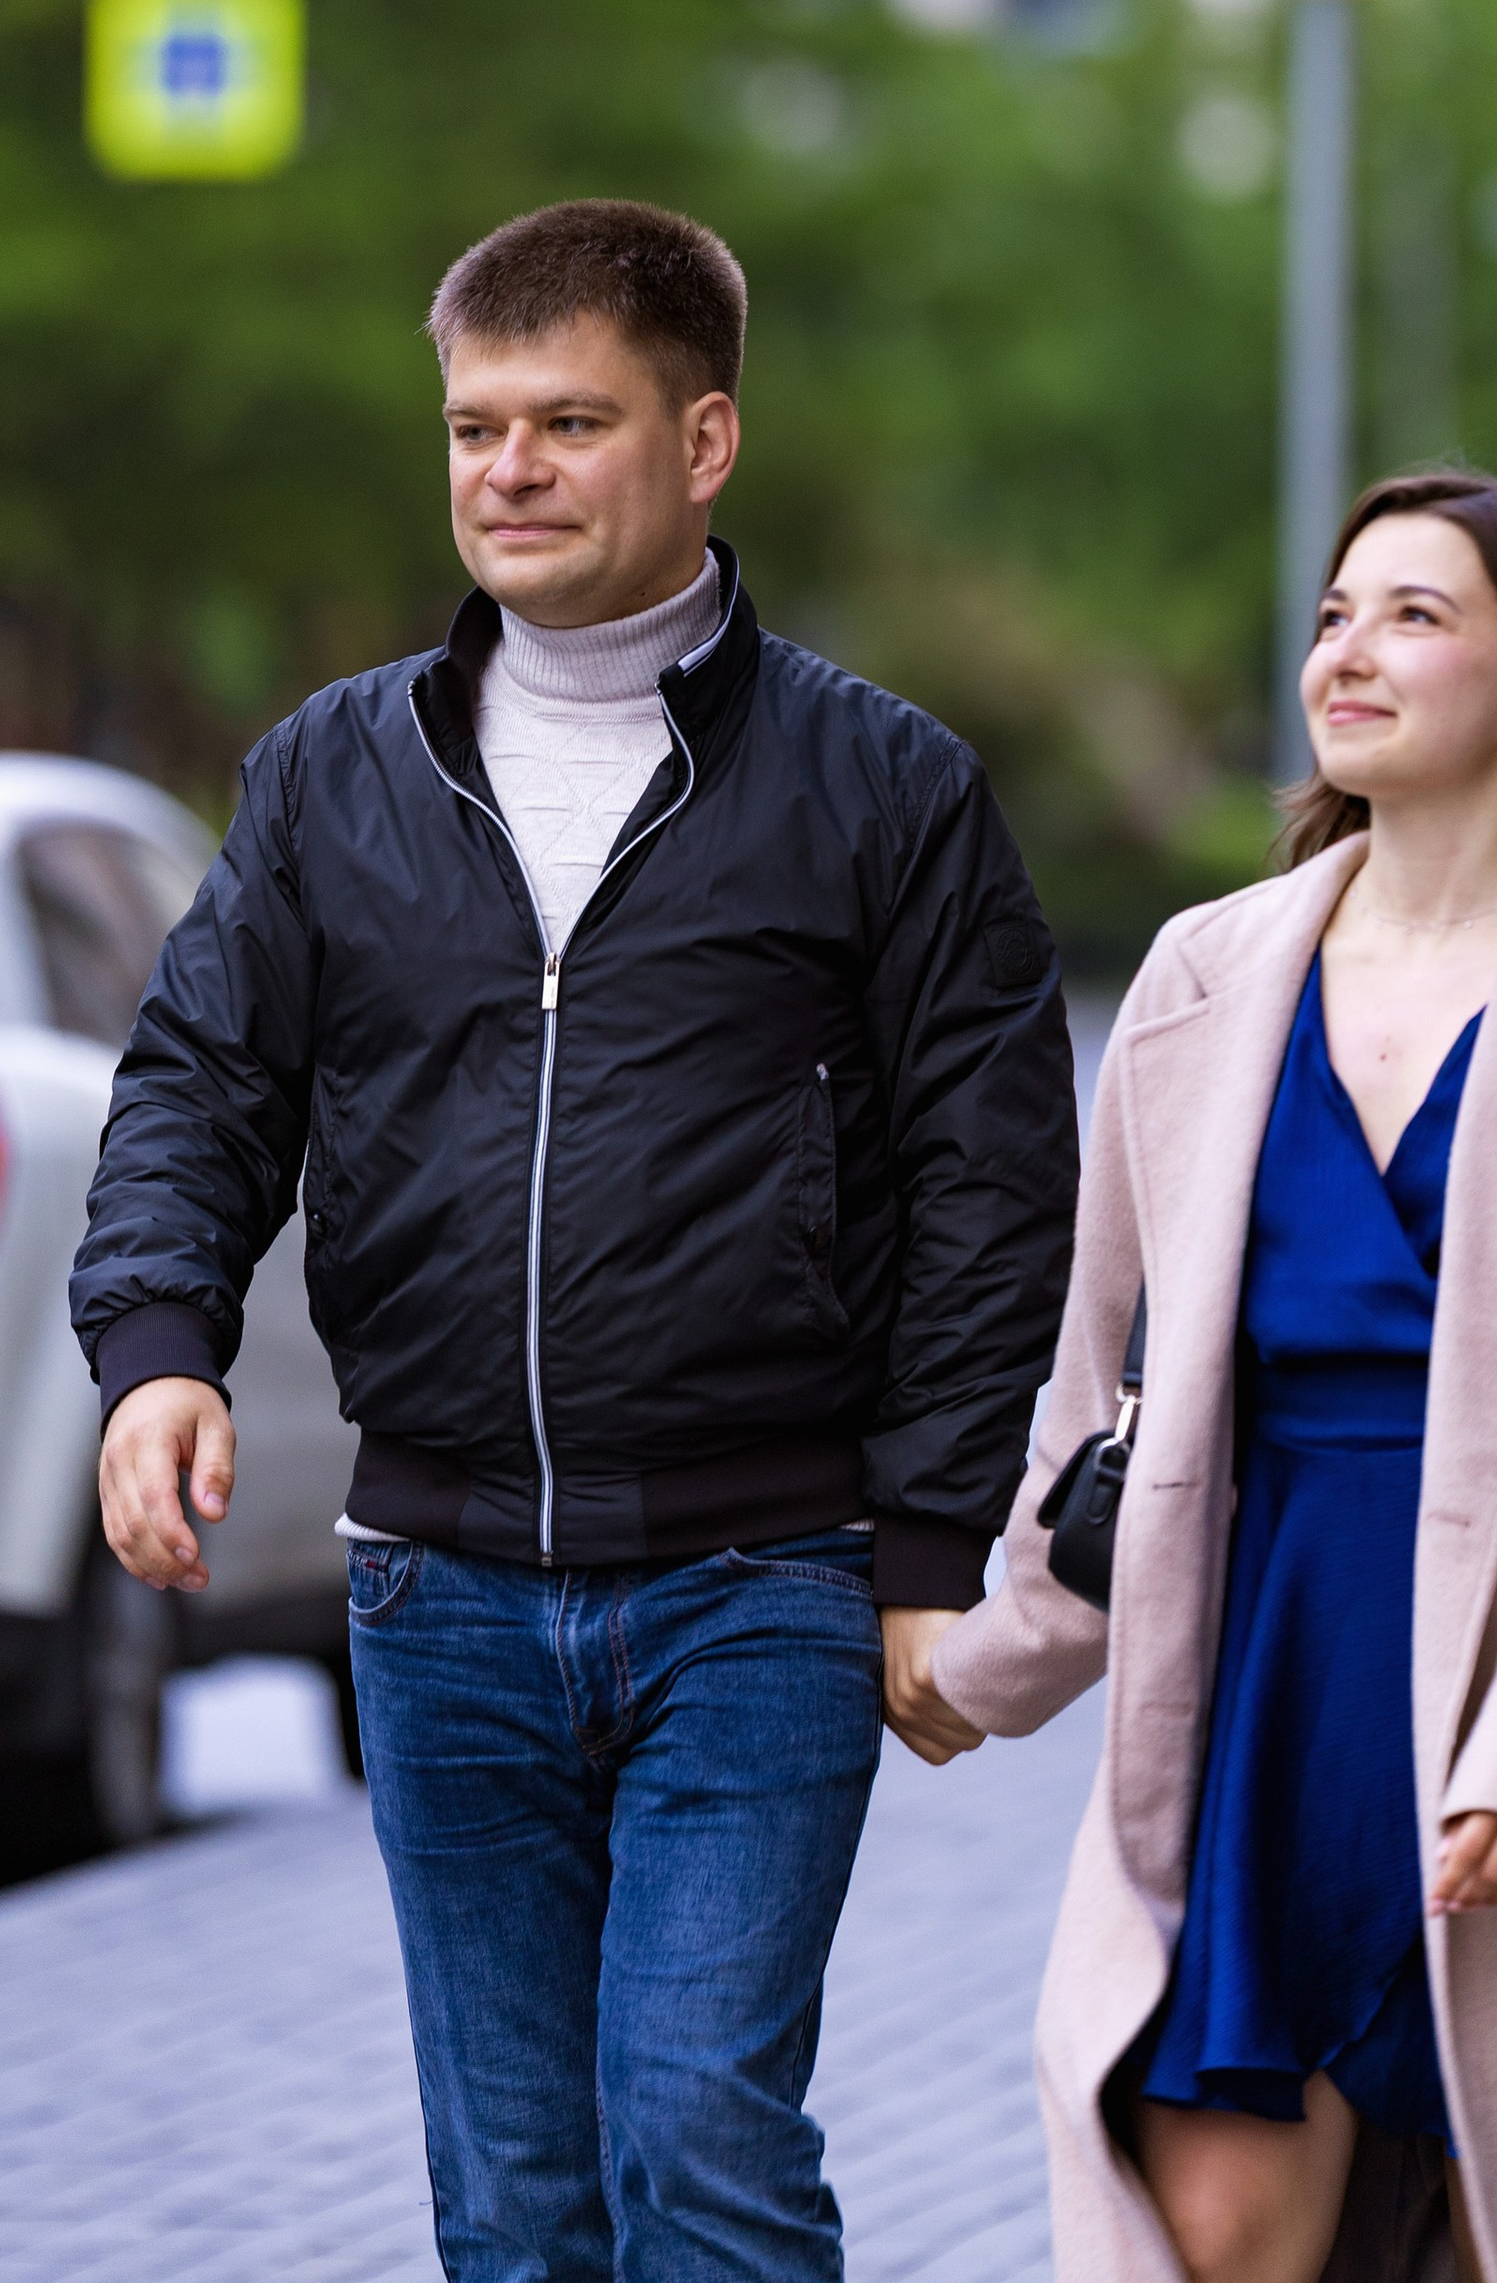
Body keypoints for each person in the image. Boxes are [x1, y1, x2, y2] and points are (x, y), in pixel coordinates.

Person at [71, 197, 1080, 2283]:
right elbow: (199, 1083)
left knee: (699, 2138)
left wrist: (923, 1551)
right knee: (515, 2204)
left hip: (760, 1585)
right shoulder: (333, 774)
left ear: (702, 443)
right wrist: (160, 1341)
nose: (505, 472)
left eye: (566, 423)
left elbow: (993, 1191)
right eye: (471, 427)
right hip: (438, 1594)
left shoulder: (881, 789)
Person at [920, 469, 1497, 2283]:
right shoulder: (1202, 979)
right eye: (1335, 616)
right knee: (1225, 2230)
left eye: (1415, 616)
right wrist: (987, 1660)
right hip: (1265, 1681)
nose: (1351, 652)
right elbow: (1105, 1399)